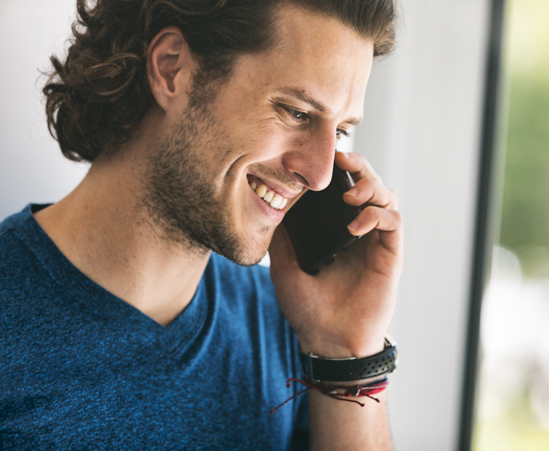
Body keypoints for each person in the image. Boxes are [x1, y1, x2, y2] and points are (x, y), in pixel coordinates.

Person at [0, 0, 403, 449]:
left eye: (341, 131)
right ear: (173, 70)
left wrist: (345, 349)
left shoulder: (294, 325)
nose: (321, 174)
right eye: (296, 113)